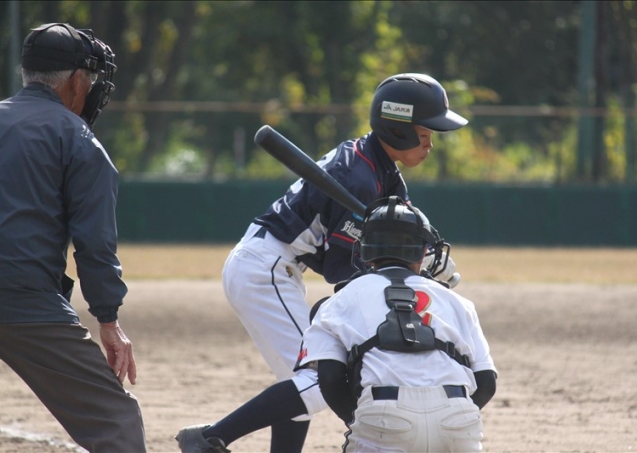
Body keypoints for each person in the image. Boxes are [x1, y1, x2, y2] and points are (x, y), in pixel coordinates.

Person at [175, 73, 467, 453]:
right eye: (424, 135)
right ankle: (208, 439)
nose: (430, 144)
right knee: (316, 378)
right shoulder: (358, 178)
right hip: (264, 268)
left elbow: (398, 232)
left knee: (299, 383)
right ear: (397, 130)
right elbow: (340, 271)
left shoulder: (381, 170)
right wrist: (407, 272)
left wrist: (421, 261)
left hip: (276, 266)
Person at [0, 23, 147, 452]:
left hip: (22, 294)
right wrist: (108, 320)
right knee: (116, 421)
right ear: (78, 80)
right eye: (91, 78)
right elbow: (95, 245)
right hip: (24, 301)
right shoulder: (77, 138)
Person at [300, 196, 498, 452]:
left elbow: (329, 379)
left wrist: (361, 418)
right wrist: (448, 418)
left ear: (364, 251)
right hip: (458, 418)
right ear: (424, 252)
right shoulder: (458, 302)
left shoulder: (337, 302)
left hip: (383, 417)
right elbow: (487, 383)